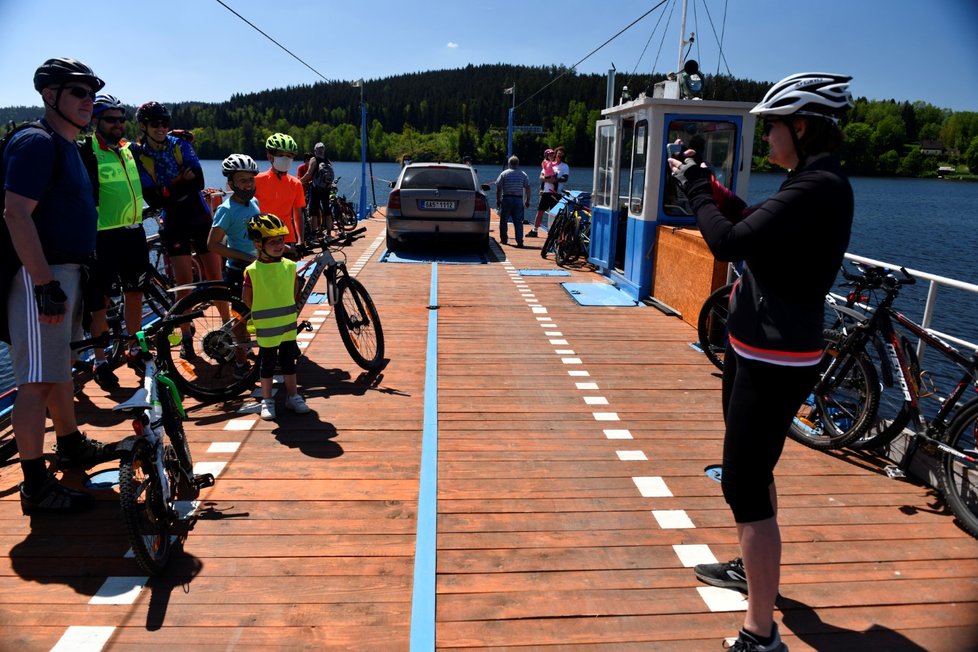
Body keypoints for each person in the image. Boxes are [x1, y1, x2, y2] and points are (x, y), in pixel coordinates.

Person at [669, 72, 854, 652]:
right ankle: (753, 575)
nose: (766, 136)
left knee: (745, 487)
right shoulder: (813, 183)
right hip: (762, 350)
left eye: (772, 126)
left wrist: (698, 190)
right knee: (756, 471)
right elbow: (755, 228)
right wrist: (714, 192)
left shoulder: (816, 187)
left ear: (801, 126)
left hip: (772, 359)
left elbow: (727, 244)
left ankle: (760, 634)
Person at [3, 58, 117, 514]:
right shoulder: (36, 142)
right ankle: (35, 484)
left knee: (60, 370)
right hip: (40, 276)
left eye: (91, 94)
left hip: (68, 272)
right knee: (35, 380)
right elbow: (15, 213)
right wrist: (45, 283)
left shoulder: (70, 145)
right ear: (50, 96)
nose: (88, 101)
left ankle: (69, 445)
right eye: (77, 92)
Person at [135, 100, 222, 357]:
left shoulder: (180, 144)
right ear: (143, 126)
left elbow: (198, 182)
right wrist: (178, 181)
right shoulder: (140, 156)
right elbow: (153, 199)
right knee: (183, 283)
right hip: (174, 222)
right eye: (155, 124)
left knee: (215, 277)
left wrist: (167, 189)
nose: (161, 128)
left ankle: (230, 330)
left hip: (198, 216)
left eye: (165, 124)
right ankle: (185, 336)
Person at [79, 94, 148, 388]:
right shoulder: (87, 150)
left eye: (121, 119)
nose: (118, 124)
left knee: (135, 294)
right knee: (100, 303)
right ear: (96, 121)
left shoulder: (128, 150)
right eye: (111, 119)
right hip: (104, 235)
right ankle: (101, 360)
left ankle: (134, 348)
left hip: (134, 232)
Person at [242, 213, 311, 421]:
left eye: (281, 241)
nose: (279, 245)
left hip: (287, 324)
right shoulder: (252, 271)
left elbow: (294, 292)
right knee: (267, 362)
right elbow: (247, 299)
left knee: (289, 360)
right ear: (258, 244)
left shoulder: (290, 267)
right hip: (267, 326)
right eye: (273, 242)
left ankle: (293, 396)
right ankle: (267, 400)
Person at [208, 154, 260, 294]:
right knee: (242, 313)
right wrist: (247, 257)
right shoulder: (226, 209)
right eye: (242, 180)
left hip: (257, 265)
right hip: (239, 269)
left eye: (251, 179)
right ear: (231, 184)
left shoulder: (254, 202)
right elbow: (213, 244)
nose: (249, 184)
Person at [255, 133, 306, 246]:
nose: (286, 158)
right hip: (262, 238)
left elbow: (298, 215)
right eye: (281, 155)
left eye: (289, 155)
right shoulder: (257, 180)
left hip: (287, 239)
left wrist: (301, 240)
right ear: (270, 156)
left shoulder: (296, 183)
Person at [528, 146, 568, 238]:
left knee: (555, 214)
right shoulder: (548, 163)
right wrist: (546, 182)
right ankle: (535, 230)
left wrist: (556, 180)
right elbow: (541, 177)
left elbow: (565, 178)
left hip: (556, 193)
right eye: (558, 154)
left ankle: (554, 232)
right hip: (546, 192)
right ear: (555, 154)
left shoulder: (564, 166)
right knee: (540, 211)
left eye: (562, 154)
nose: (559, 156)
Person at [494, 155, 531, 247]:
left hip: (506, 199)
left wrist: (498, 200)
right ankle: (519, 241)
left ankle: (504, 239)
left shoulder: (504, 174)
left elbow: (498, 188)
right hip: (518, 199)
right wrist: (527, 200)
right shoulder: (523, 174)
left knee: (504, 221)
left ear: (509, 164)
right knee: (518, 221)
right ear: (518, 164)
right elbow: (528, 188)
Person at [305, 142, 334, 236]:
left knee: (314, 210)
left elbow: (309, 174)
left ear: (315, 150)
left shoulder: (314, 159)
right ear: (324, 150)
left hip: (316, 188)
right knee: (327, 210)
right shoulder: (328, 161)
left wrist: (299, 181)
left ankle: (314, 233)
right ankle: (329, 233)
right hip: (326, 189)